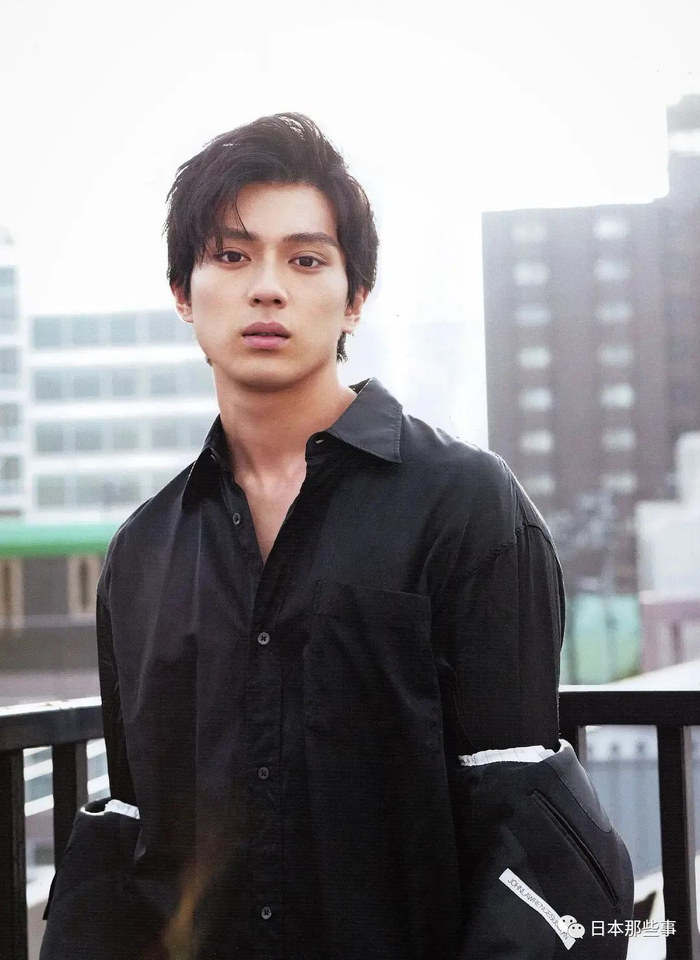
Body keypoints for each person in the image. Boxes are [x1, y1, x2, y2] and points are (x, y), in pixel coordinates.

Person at [41, 112, 633, 960]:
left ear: (355, 297)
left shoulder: (465, 503)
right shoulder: (143, 551)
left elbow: (523, 819)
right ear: (183, 292)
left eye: (306, 259)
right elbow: (135, 833)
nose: (267, 288)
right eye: (231, 256)